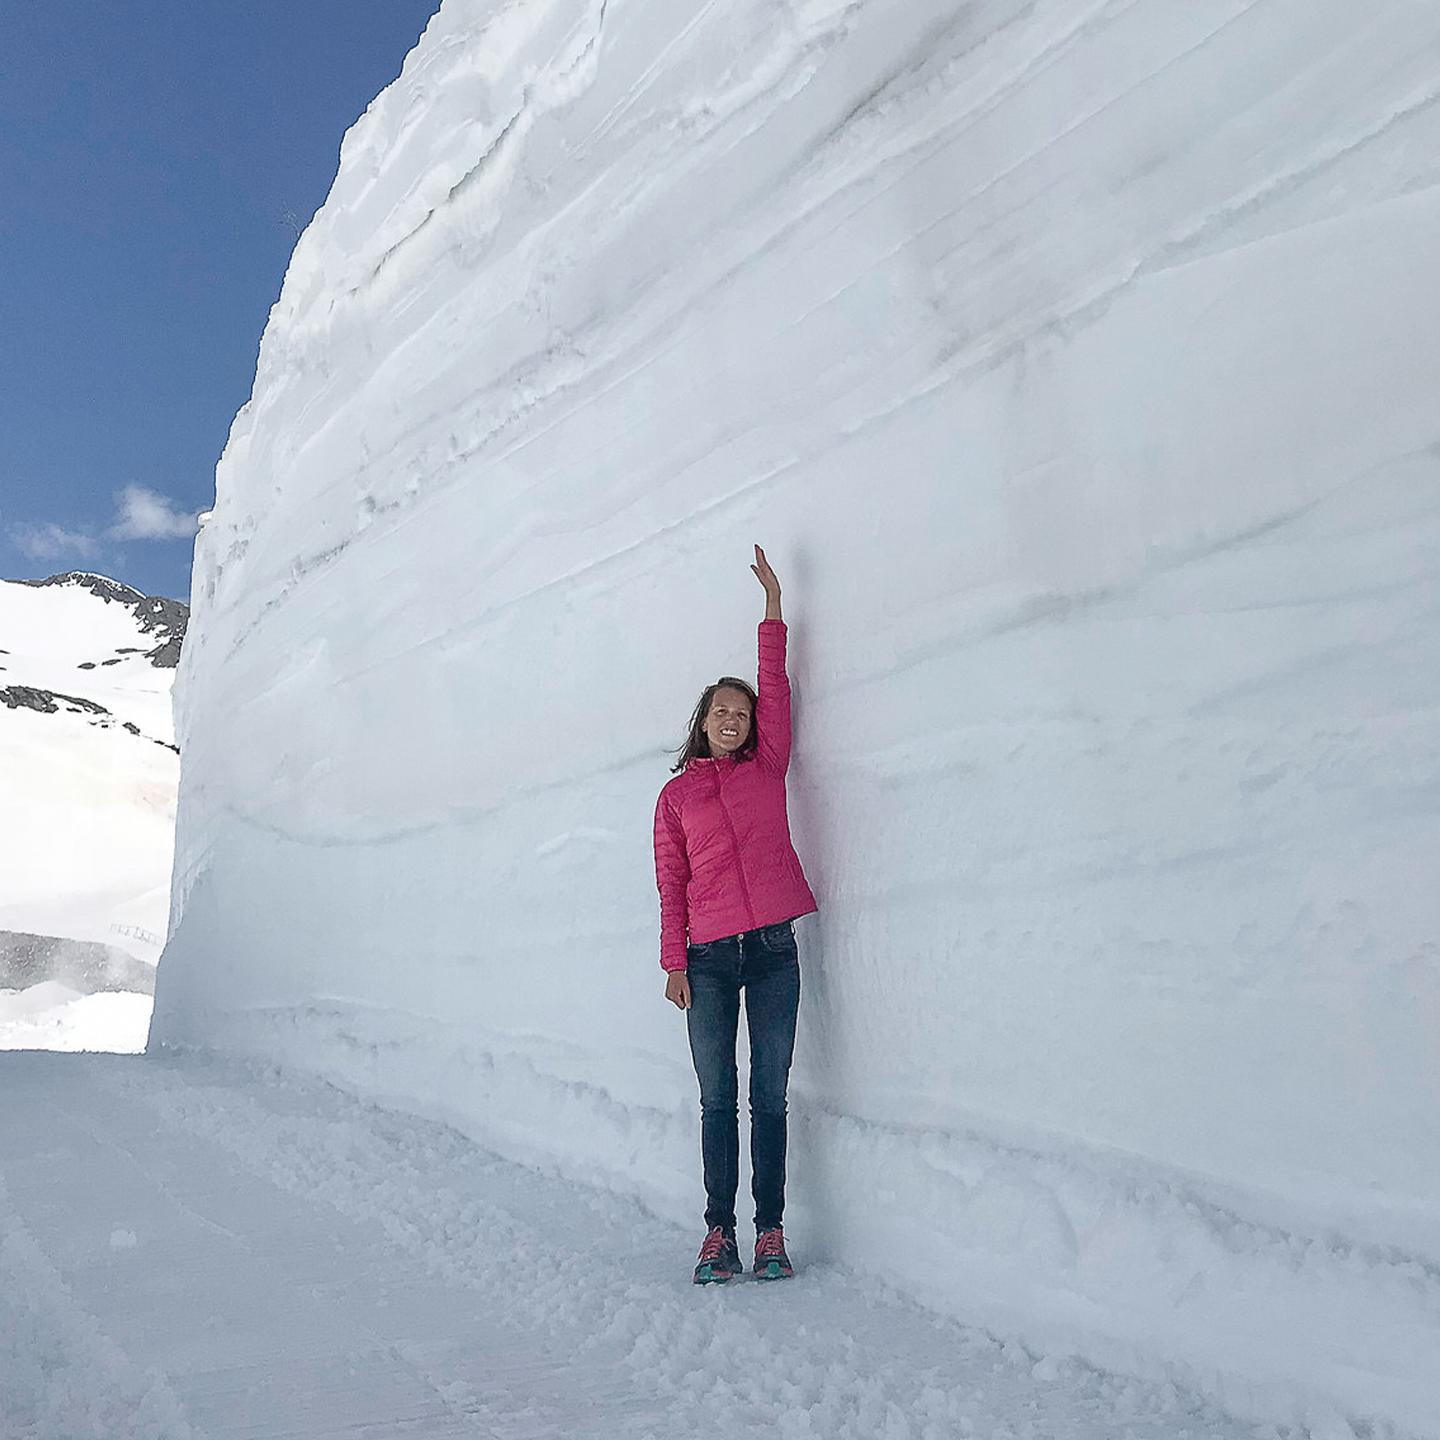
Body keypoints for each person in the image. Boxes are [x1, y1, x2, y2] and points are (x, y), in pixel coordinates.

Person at [652, 544, 820, 1284]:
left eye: (742, 713)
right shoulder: (676, 798)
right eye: (721, 711)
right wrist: (673, 963)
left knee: (770, 1097)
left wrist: (774, 610)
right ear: (703, 721)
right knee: (718, 1097)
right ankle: (718, 1234)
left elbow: (777, 690)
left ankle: (771, 1232)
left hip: (775, 949)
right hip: (710, 960)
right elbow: (672, 884)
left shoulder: (766, 767)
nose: (733, 719)